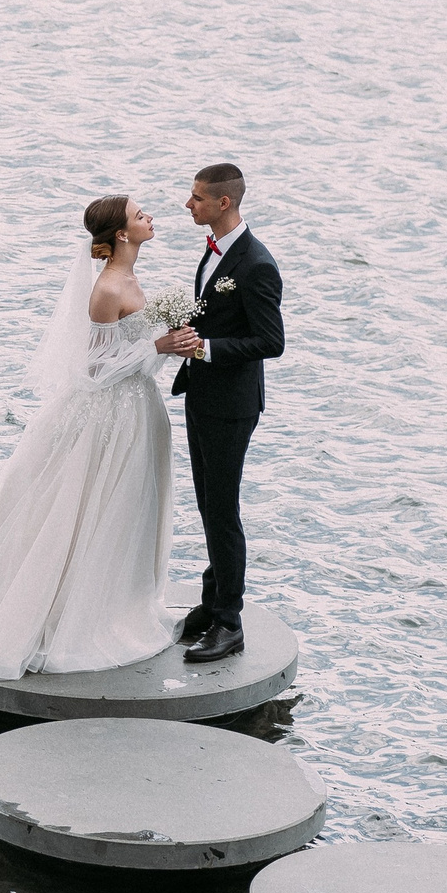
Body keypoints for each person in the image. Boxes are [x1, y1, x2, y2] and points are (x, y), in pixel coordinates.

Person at [0, 194, 189, 679]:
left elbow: (128, 352)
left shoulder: (131, 279)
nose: (150, 218)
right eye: (140, 215)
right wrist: (157, 344)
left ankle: (116, 603)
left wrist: (168, 344)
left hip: (137, 410)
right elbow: (94, 369)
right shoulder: (108, 289)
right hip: (107, 419)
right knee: (87, 511)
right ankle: (67, 616)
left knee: (127, 511)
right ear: (120, 233)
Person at [168, 162, 284, 663]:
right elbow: (213, 311)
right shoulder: (215, 249)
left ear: (224, 203)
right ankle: (211, 600)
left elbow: (270, 342)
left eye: (195, 198)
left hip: (231, 406)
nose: (187, 205)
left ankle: (230, 621)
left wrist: (207, 349)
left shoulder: (256, 264)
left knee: (223, 510)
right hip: (201, 395)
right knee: (208, 505)